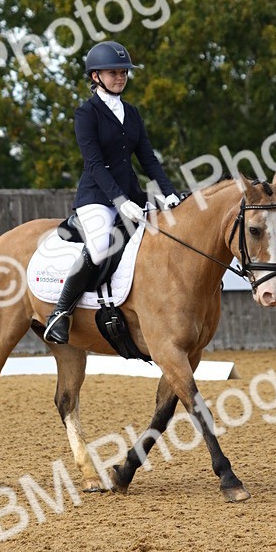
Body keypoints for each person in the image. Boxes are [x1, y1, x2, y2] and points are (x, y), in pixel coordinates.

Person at [44, 41, 180, 344]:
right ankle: (61, 313)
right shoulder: (86, 114)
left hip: (132, 195)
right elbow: (94, 165)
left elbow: (148, 159)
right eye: (113, 73)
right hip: (97, 198)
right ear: (95, 76)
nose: (120, 77)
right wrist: (120, 202)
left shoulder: (131, 113)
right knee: (100, 245)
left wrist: (169, 194)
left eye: (123, 72)